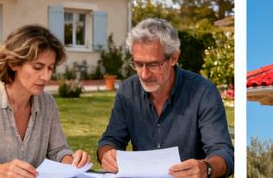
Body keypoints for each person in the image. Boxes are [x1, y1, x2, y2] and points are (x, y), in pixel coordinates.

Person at [97, 18, 234, 178]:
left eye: (153, 65)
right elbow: (110, 140)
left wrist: (206, 168)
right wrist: (107, 155)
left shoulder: (203, 91)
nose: (144, 74)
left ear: (174, 58)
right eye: (138, 64)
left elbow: (224, 153)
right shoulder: (127, 90)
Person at [0, 25, 89, 178]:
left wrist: (72, 161)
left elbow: (58, 150)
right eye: (38, 67)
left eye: (50, 68)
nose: (46, 77)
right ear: (13, 64)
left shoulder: (47, 103)